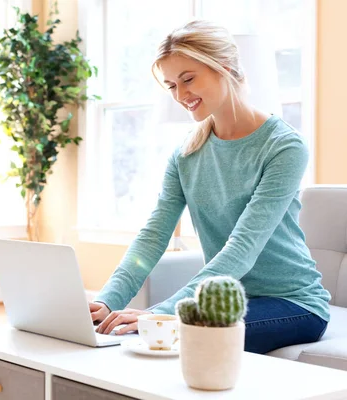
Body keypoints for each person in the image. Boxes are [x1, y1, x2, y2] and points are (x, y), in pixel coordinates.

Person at [89, 20, 331, 355]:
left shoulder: (284, 147)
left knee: (169, 334)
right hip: (222, 302)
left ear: (226, 68)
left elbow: (242, 247)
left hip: (293, 304)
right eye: (172, 85)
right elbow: (153, 236)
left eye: (188, 79)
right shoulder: (186, 154)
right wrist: (106, 299)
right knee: (135, 334)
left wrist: (161, 312)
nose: (181, 94)